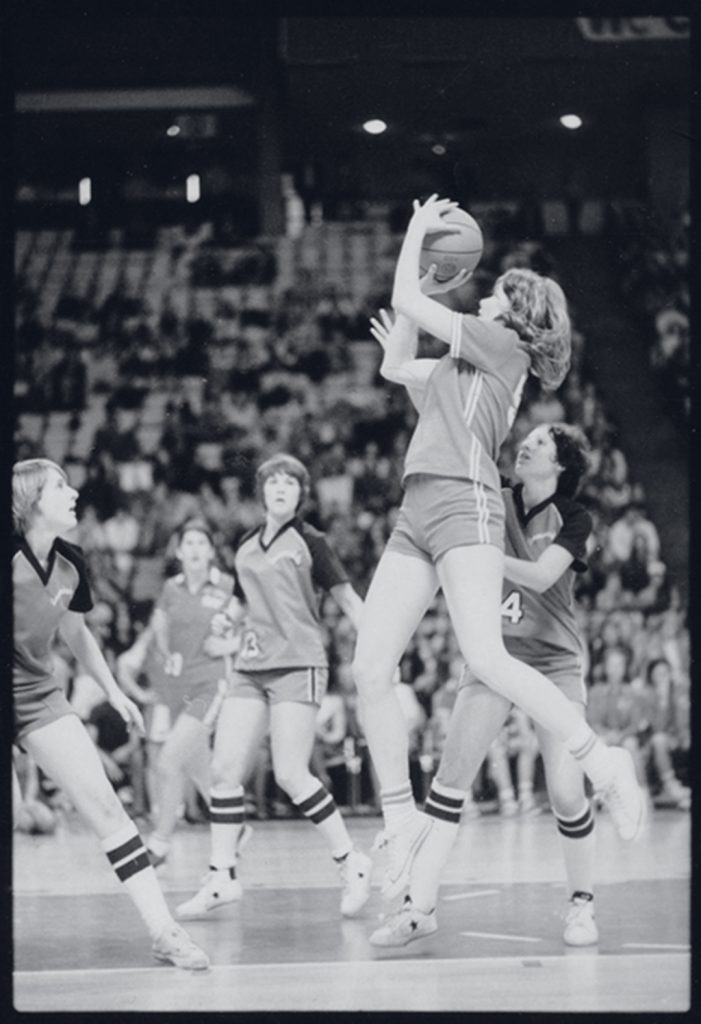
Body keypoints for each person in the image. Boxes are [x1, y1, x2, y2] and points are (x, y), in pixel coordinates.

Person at [352, 195, 644, 902]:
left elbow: (400, 295)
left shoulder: (502, 346)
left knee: (485, 656)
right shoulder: (464, 365)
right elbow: (400, 372)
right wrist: (405, 332)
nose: (481, 294)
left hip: (467, 500)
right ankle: (398, 820)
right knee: (367, 665)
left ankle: (603, 764)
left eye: (492, 292)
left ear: (514, 312)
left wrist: (419, 235)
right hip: (417, 503)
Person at [369, 422, 610, 948]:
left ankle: (582, 904)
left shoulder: (574, 516)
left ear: (562, 464)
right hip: (492, 656)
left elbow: (545, 576)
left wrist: (471, 554)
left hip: (553, 662)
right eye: (527, 437)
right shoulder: (491, 499)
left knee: (567, 792)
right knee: (449, 782)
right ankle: (420, 908)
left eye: (543, 442)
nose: (527, 443)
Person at [12, 458, 209, 971]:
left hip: (36, 692)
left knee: (105, 804)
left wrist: (115, 692)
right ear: (32, 500)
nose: (74, 493)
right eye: (61, 486)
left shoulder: (71, 560)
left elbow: (76, 634)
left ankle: (164, 931)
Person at [176, 453, 372, 920]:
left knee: (290, 772)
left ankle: (351, 861)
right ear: (261, 492)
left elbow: (347, 598)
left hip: (298, 663)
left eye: (290, 482)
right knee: (224, 770)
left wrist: (378, 649)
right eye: (272, 482)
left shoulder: (311, 542)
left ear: (301, 494)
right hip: (249, 666)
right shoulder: (245, 544)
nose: (280, 488)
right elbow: (243, 600)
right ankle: (222, 875)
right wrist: (228, 617)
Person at [145, 519, 241, 867]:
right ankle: (238, 830)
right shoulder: (171, 588)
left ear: (212, 551)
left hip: (212, 684)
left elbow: (258, 628)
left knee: (168, 760)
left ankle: (160, 841)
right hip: (178, 686)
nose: (196, 548)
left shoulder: (229, 586)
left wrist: (230, 643)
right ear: (179, 551)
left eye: (203, 542)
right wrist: (160, 647)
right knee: (201, 771)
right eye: (190, 543)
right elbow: (158, 623)